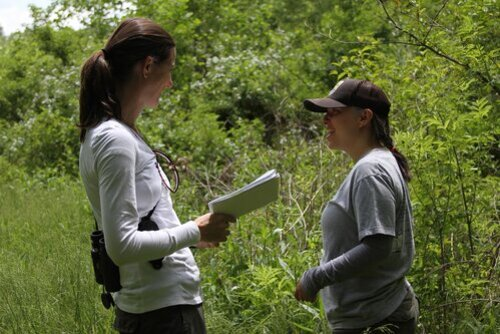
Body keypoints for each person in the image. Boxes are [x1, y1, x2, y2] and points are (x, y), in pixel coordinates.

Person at [78, 18, 234, 334]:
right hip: (161, 315)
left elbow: (141, 225)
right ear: (148, 66)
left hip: (158, 309)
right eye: (170, 68)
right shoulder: (114, 138)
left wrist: (195, 237)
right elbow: (121, 246)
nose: (171, 81)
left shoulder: (112, 133)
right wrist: (194, 230)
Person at [295, 79, 419, 334]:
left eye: (334, 112)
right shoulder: (378, 163)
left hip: (375, 318)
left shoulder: (370, 170)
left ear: (364, 117)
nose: (325, 121)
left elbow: (377, 246)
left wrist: (314, 278)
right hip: (374, 314)